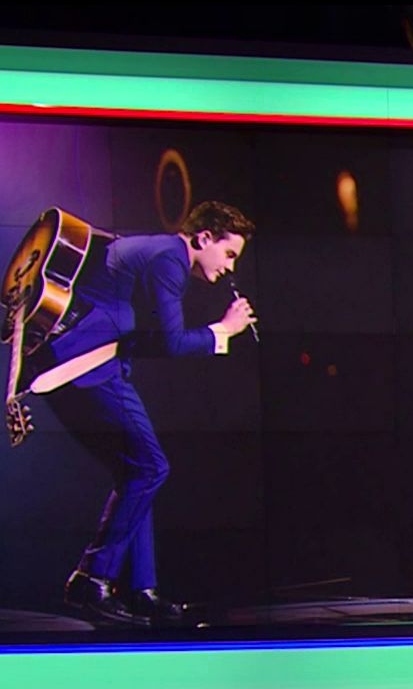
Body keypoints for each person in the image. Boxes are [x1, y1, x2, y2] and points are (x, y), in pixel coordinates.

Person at [47, 201, 257, 625]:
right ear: (204, 238)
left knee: (138, 473)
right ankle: (92, 579)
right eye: (229, 253)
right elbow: (173, 343)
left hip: (89, 364)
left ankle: (141, 590)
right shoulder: (170, 259)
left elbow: (150, 338)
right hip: (90, 366)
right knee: (150, 468)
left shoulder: (162, 254)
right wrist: (224, 330)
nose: (230, 267)